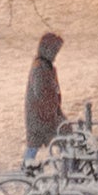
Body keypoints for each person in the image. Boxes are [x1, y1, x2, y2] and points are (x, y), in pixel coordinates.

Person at [24, 30, 65, 159]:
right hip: (41, 116)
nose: (56, 54)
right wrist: (53, 111)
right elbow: (41, 93)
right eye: (55, 50)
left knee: (35, 144)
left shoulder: (45, 65)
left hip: (44, 115)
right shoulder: (40, 68)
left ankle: (27, 167)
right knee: (63, 138)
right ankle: (67, 166)